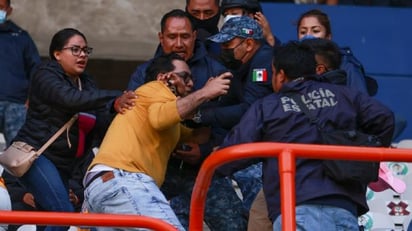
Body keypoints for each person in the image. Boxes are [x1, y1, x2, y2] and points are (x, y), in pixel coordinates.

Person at [216, 41, 394, 230]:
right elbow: (385, 119)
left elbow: (234, 151)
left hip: (296, 209)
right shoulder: (345, 95)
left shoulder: (267, 106)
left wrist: (210, 165)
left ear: (281, 75)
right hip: (344, 207)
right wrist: (360, 151)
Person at [127, 9, 247, 230]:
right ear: (161, 38)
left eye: (185, 36)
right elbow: (134, 118)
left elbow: (237, 120)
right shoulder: (144, 73)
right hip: (159, 170)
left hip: (204, 168)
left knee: (234, 224)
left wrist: (206, 148)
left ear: (194, 36)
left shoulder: (217, 71)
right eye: (172, 37)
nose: (179, 43)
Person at [84, 53, 231, 231]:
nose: (191, 84)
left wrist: (211, 103)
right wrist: (206, 92)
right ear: (164, 77)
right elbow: (159, 118)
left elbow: (197, 135)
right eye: (185, 77)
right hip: (124, 179)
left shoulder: (165, 117)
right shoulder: (154, 88)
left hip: (103, 186)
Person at [11, 28, 136, 231]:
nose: (82, 55)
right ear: (57, 54)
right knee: (63, 214)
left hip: (65, 164)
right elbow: (70, 100)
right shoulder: (45, 74)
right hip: (36, 156)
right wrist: (114, 99)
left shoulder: (86, 82)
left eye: (86, 51)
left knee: (48, 220)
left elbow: (100, 118)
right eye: (75, 50)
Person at [296, 9, 407, 139]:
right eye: (303, 32)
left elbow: (362, 107)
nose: (308, 36)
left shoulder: (346, 64)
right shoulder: (291, 61)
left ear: (328, 37)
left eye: (315, 31)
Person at [206, 16, 275, 213]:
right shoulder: (239, 65)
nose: (224, 49)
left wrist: (206, 116)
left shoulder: (263, 60)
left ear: (249, 43)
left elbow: (249, 109)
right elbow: (228, 105)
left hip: (268, 154)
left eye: (228, 43)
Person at [0, 0, 41, 147]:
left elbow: (35, 69)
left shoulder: (21, 37)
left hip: (16, 104)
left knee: (17, 152)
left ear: (9, 10)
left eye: (0, 8)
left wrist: (32, 97)